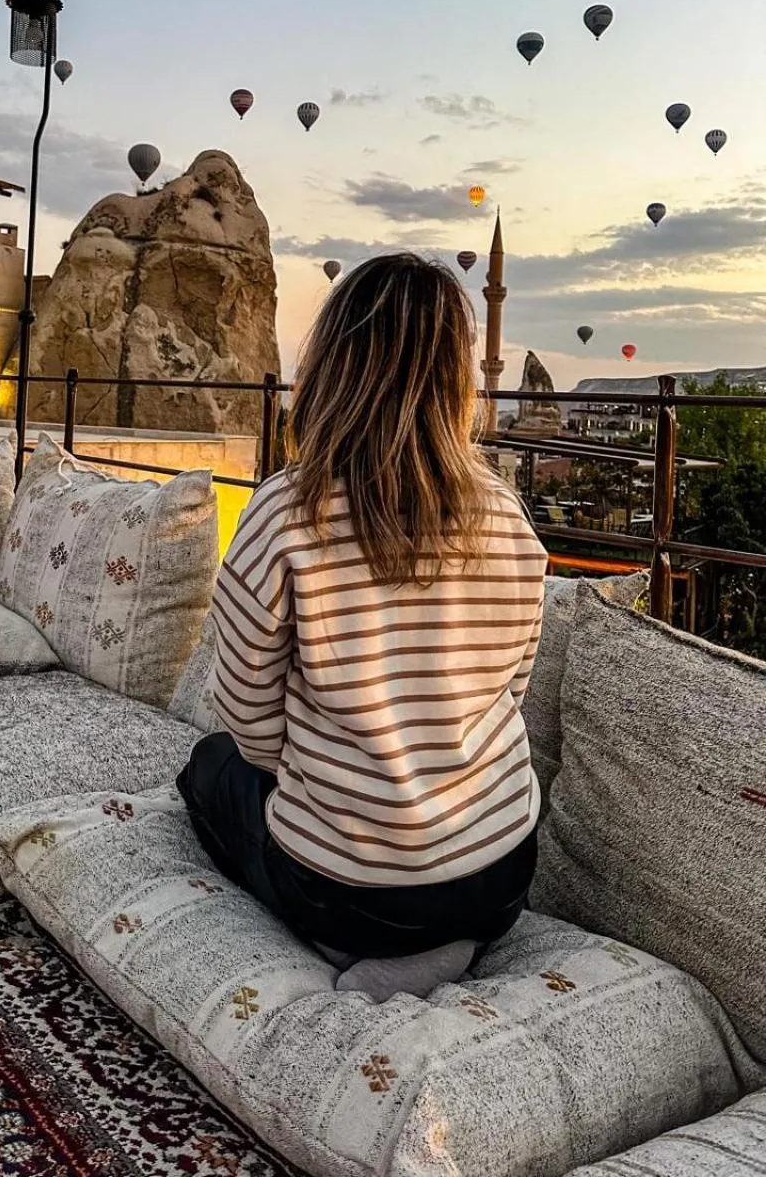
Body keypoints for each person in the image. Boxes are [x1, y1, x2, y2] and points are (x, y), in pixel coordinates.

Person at [177, 252, 547, 1000]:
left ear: (335, 365)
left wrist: (325, 781)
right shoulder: (507, 518)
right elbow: (514, 684)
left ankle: (338, 940)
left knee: (209, 771)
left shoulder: (286, 513)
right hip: (501, 876)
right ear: (458, 378)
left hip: (346, 891)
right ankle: (439, 944)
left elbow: (246, 712)